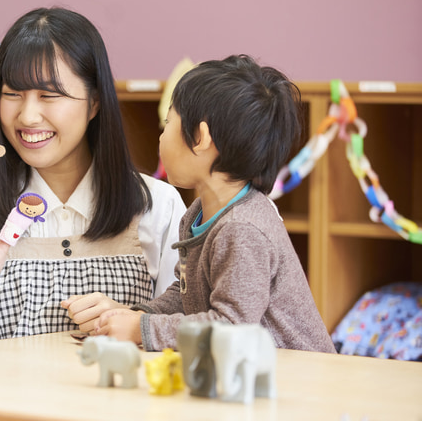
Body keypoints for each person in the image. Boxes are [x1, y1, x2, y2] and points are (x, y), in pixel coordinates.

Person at [0, 7, 186, 340]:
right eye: (12, 94)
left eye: (49, 95)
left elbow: (183, 335)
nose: (28, 116)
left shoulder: (157, 206)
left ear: (94, 102)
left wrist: (133, 322)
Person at [95, 55, 336, 353]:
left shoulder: (242, 228)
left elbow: (232, 328)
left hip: (299, 383)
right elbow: (188, 295)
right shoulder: (198, 215)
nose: (161, 136)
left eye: (169, 121)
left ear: (200, 137)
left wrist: (142, 330)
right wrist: (140, 316)